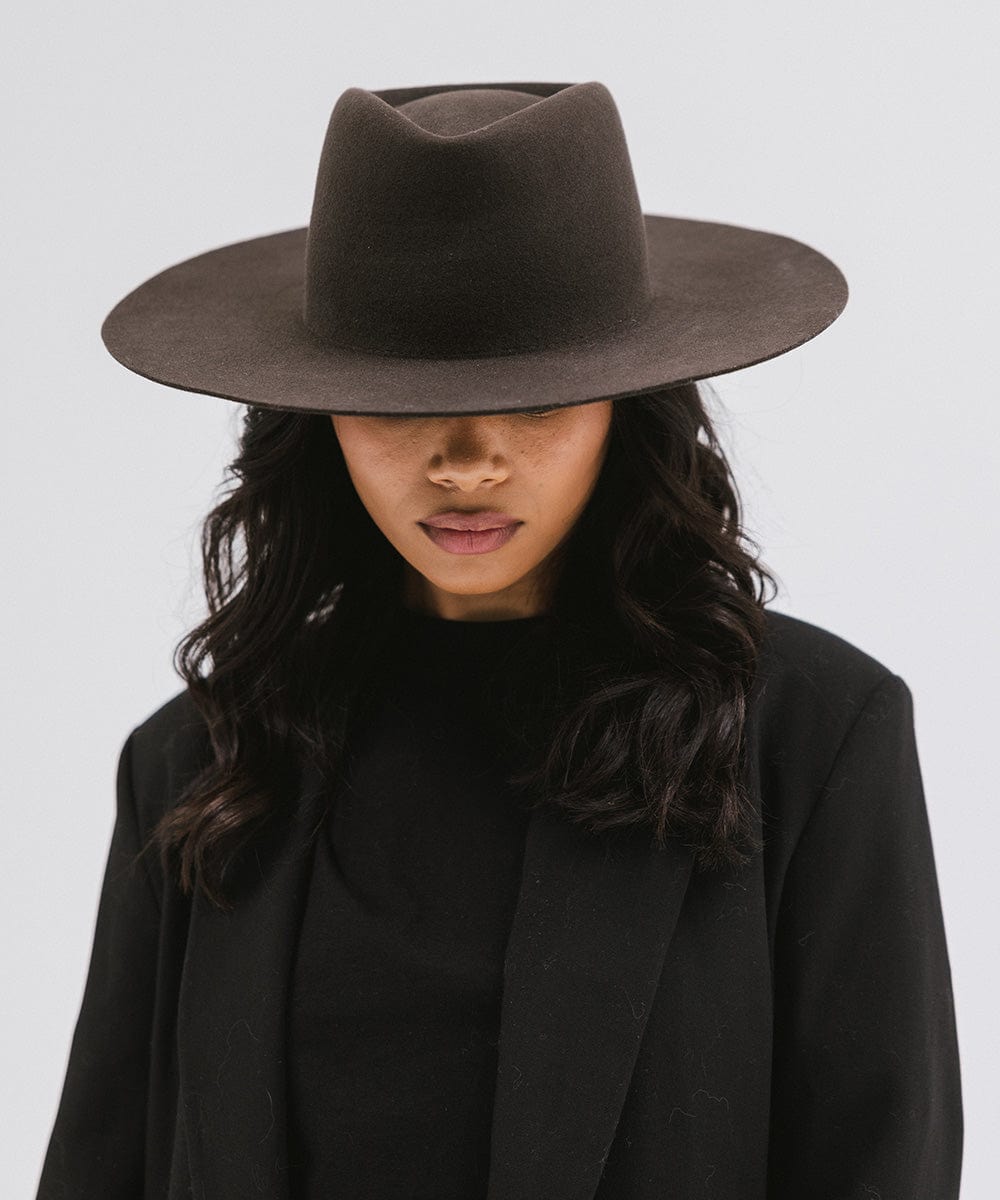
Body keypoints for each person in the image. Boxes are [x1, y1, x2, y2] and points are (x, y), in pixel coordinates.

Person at [35, 80, 963, 1200]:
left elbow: (880, 1162)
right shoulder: (204, 761)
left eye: (531, 401)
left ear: (625, 404)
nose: (466, 460)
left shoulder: (809, 738)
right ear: (313, 414)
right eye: (395, 401)